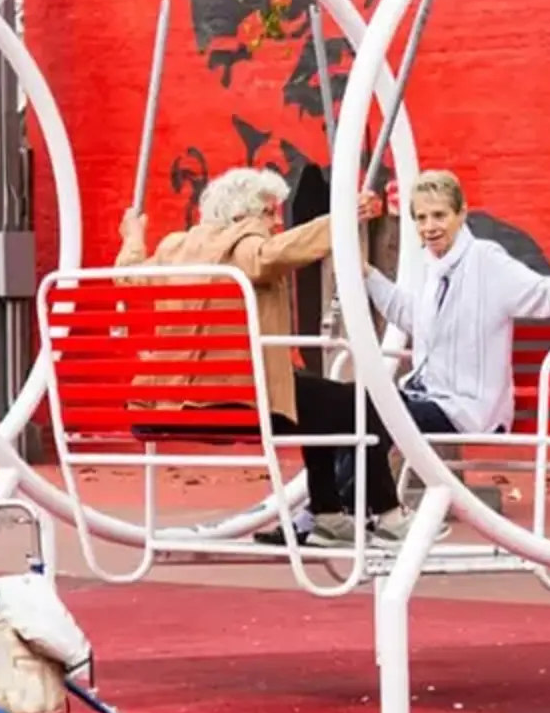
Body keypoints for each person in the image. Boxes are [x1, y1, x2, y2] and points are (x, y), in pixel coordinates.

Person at [116, 166, 400, 546]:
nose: (277, 222)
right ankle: (389, 515)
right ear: (240, 215)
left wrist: (133, 237)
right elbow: (270, 255)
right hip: (238, 401)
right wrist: (340, 221)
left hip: (173, 401)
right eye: (269, 212)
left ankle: (328, 513)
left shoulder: (174, 249)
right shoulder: (243, 246)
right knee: (360, 404)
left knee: (321, 400)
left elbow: (127, 275)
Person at [343, 169, 550, 534]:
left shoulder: (486, 261)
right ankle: (332, 511)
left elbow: (547, 298)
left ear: (461, 214)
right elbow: (411, 317)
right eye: (421, 218)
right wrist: (366, 274)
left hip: (469, 405)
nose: (430, 227)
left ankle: (354, 512)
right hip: (428, 395)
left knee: (381, 413)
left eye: (439, 215)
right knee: (348, 408)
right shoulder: (430, 266)